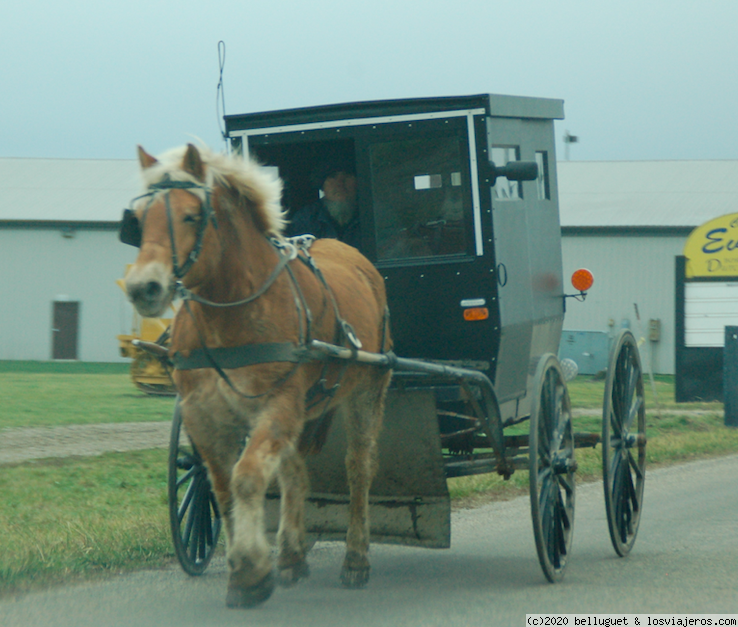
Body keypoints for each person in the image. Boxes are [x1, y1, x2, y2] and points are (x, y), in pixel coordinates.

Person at [286, 160, 360, 249]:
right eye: (332, 177)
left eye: (347, 176)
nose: (340, 183)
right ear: (322, 186)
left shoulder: (372, 215)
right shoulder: (306, 218)